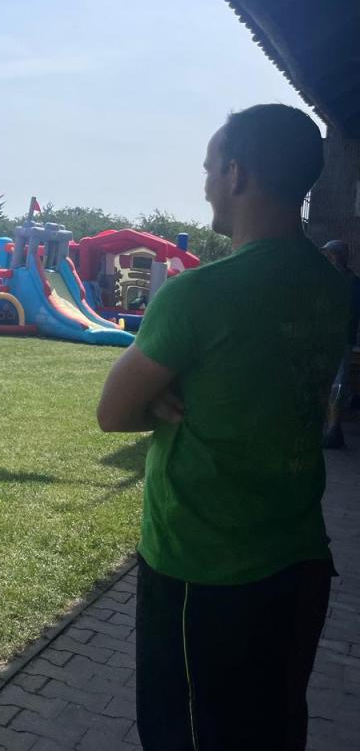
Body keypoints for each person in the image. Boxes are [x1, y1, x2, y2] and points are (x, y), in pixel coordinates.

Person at [96, 104, 347, 750]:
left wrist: (157, 395)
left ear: (236, 174)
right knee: (274, 729)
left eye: (210, 168)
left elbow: (112, 413)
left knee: (186, 735)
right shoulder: (335, 288)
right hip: (299, 561)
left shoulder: (198, 293)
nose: (206, 184)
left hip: (203, 569)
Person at [321, 239, 360, 449]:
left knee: (336, 385)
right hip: (331, 338)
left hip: (341, 339)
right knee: (332, 383)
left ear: (339, 256)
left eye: (330, 254)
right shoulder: (335, 279)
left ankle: (333, 430)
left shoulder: (351, 282)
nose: (327, 258)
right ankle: (332, 428)